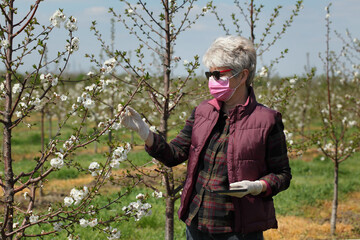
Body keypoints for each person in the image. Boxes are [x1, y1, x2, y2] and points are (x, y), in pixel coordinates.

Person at [120, 35, 292, 240]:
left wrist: (258, 187)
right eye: (209, 74)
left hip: (238, 229)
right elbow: (175, 154)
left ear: (243, 75)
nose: (212, 80)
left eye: (219, 74)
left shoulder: (267, 120)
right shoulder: (203, 111)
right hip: (197, 223)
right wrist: (145, 134)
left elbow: (282, 174)